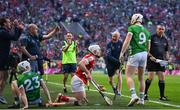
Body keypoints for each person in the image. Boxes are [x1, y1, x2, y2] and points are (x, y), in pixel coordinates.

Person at [119, 13, 151, 106]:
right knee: (141, 78)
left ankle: (133, 96)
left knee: (128, 76)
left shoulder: (132, 28)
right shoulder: (147, 31)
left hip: (135, 53)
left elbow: (127, 41)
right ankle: (142, 100)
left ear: (134, 19)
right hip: (144, 54)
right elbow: (149, 47)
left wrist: (122, 53)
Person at [0, 18, 24, 104]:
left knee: (4, 77)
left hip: (3, 56)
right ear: (4, 24)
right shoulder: (2, 32)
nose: (10, 23)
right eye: (8, 22)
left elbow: (14, 36)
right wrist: (17, 27)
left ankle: (1, 95)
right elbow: (14, 37)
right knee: (3, 77)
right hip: (2, 57)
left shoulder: (3, 32)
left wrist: (18, 29)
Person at [144, 25, 169, 101]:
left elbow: (166, 51)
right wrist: (150, 56)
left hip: (161, 61)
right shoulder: (151, 37)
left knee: (162, 78)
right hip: (152, 60)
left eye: (162, 29)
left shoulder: (165, 39)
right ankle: (144, 94)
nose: (161, 30)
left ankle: (162, 96)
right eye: (159, 29)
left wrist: (167, 57)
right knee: (150, 78)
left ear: (164, 30)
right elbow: (146, 48)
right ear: (156, 29)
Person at [105, 30, 123, 96]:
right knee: (110, 80)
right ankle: (114, 88)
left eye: (115, 36)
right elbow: (108, 56)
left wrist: (122, 59)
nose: (114, 38)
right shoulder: (109, 44)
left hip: (118, 63)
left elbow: (123, 52)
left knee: (119, 75)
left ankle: (119, 91)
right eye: (113, 36)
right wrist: (117, 61)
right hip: (110, 63)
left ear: (118, 37)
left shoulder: (121, 43)